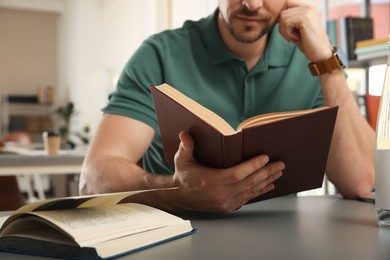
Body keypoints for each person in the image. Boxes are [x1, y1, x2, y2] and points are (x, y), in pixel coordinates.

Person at [79, 0, 375, 213]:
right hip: (171, 233)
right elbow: (93, 179)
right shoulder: (160, 54)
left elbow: (361, 181)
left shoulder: (310, 60)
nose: (251, 4)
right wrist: (175, 190)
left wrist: (327, 63)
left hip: (282, 239)